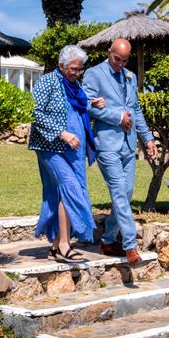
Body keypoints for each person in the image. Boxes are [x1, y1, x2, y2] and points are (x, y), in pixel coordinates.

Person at [82, 38, 158, 265]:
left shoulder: (130, 77)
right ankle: (130, 246)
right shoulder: (94, 74)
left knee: (126, 194)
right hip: (107, 145)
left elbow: (135, 110)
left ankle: (107, 240)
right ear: (109, 53)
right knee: (118, 192)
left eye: (124, 61)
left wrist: (148, 138)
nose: (120, 64)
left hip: (128, 145)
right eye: (117, 59)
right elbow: (85, 105)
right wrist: (117, 117)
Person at [28, 45, 104, 263]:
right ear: (61, 66)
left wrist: (90, 104)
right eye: (73, 69)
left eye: (80, 69)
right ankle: (64, 245)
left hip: (73, 150)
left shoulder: (74, 85)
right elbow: (34, 111)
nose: (77, 73)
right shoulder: (47, 82)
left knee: (65, 192)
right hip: (51, 147)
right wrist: (62, 133)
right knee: (70, 187)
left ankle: (55, 245)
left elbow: (73, 107)